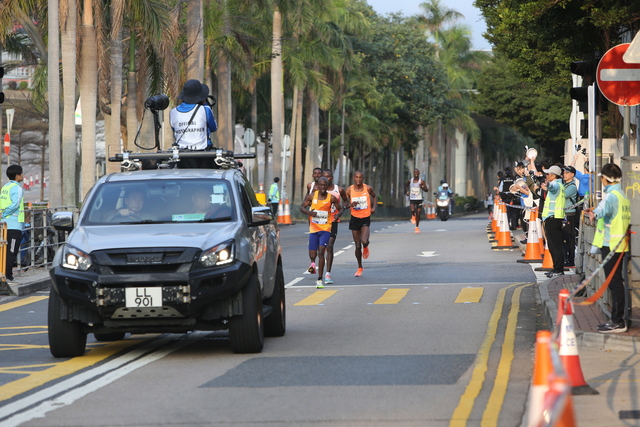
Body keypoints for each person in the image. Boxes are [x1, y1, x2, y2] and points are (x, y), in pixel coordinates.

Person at [584, 163, 631, 333]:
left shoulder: (610, 197)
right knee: (617, 282)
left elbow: (601, 210)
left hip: (611, 246)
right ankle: (617, 320)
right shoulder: (622, 195)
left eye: (602, 178)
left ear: (605, 178)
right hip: (620, 245)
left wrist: (593, 213)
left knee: (615, 284)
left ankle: (618, 322)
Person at [300, 177, 343, 288]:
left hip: (326, 229)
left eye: (325, 185)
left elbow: (340, 208)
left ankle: (319, 279)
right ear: (318, 185)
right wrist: (309, 212)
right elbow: (302, 207)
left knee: (321, 251)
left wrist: (338, 214)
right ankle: (314, 268)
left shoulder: (331, 198)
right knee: (313, 254)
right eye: (321, 185)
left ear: (327, 186)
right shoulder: (312, 196)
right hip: (314, 230)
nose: (323, 187)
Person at [169, 79, 218, 168]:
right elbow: (213, 128)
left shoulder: (173, 112)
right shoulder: (205, 109)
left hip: (182, 156)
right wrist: (205, 104)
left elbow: (174, 129)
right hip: (203, 155)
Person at [346, 170, 377, 277]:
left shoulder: (367, 188)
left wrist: (373, 207)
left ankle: (366, 246)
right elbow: (344, 203)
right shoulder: (349, 190)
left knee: (364, 241)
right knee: (357, 245)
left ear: (363, 179)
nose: (358, 179)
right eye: (356, 177)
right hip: (354, 218)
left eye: (360, 177)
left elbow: (374, 196)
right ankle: (359, 267)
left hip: (365, 217)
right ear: (353, 178)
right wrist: (350, 204)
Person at [0, 165, 25, 284]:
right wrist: (5, 213)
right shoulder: (17, 188)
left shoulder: (5, 187)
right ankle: (8, 277)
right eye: (21, 173)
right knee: (11, 252)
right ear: (17, 175)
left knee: (4, 251)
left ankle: (3, 274)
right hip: (14, 225)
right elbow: (15, 204)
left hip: (3, 225)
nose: (22, 175)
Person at [323, 169, 348, 285]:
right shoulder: (318, 190)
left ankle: (328, 274)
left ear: (331, 178)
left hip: (333, 220)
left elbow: (345, 202)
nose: (326, 178)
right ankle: (315, 264)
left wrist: (340, 212)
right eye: (324, 176)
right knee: (320, 249)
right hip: (320, 222)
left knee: (330, 246)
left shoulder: (339, 190)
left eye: (328, 176)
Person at [540, 165, 566, 278]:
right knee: (553, 245)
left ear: (554, 175)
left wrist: (548, 185)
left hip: (553, 218)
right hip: (552, 218)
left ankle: (558, 269)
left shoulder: (556, 184)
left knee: (555, 245)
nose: (547, 175)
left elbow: (552, 188)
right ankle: (557, 268)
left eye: (548, 174)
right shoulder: (559, 184)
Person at [306, 167, 323, 274]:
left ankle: (321, 256)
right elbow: (306, 199)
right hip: (313, 216)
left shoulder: (325, 186)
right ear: (313, 175)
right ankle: (312, 263)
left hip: (325, 217)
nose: (317, 175)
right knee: (313, 237)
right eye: (315, 173)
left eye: (319, 173)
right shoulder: (310, 186)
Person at [562, 165, 579, 268]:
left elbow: (561, 195)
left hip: (570, 214)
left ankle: (570, 259)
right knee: (564, 238)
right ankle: (565, 258)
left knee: (569, 238)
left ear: (572, 175)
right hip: (564, 214)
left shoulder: (572, 187)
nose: (564, 174)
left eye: (567, 173)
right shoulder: (565, 185)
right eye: (564, 173)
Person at [406, 169, 429, 233]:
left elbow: (426, 190)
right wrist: (407, 192)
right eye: (415, 172)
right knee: (412, 210)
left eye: (417, 172)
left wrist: (422, 187)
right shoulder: (410, 181)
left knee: (418, 214)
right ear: (413, 173)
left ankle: (417, 227)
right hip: (412, 198)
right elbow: (406, 186)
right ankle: (413, 215)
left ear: (419, 173)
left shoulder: (421, 181)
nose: (416, 173)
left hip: (419, 199)